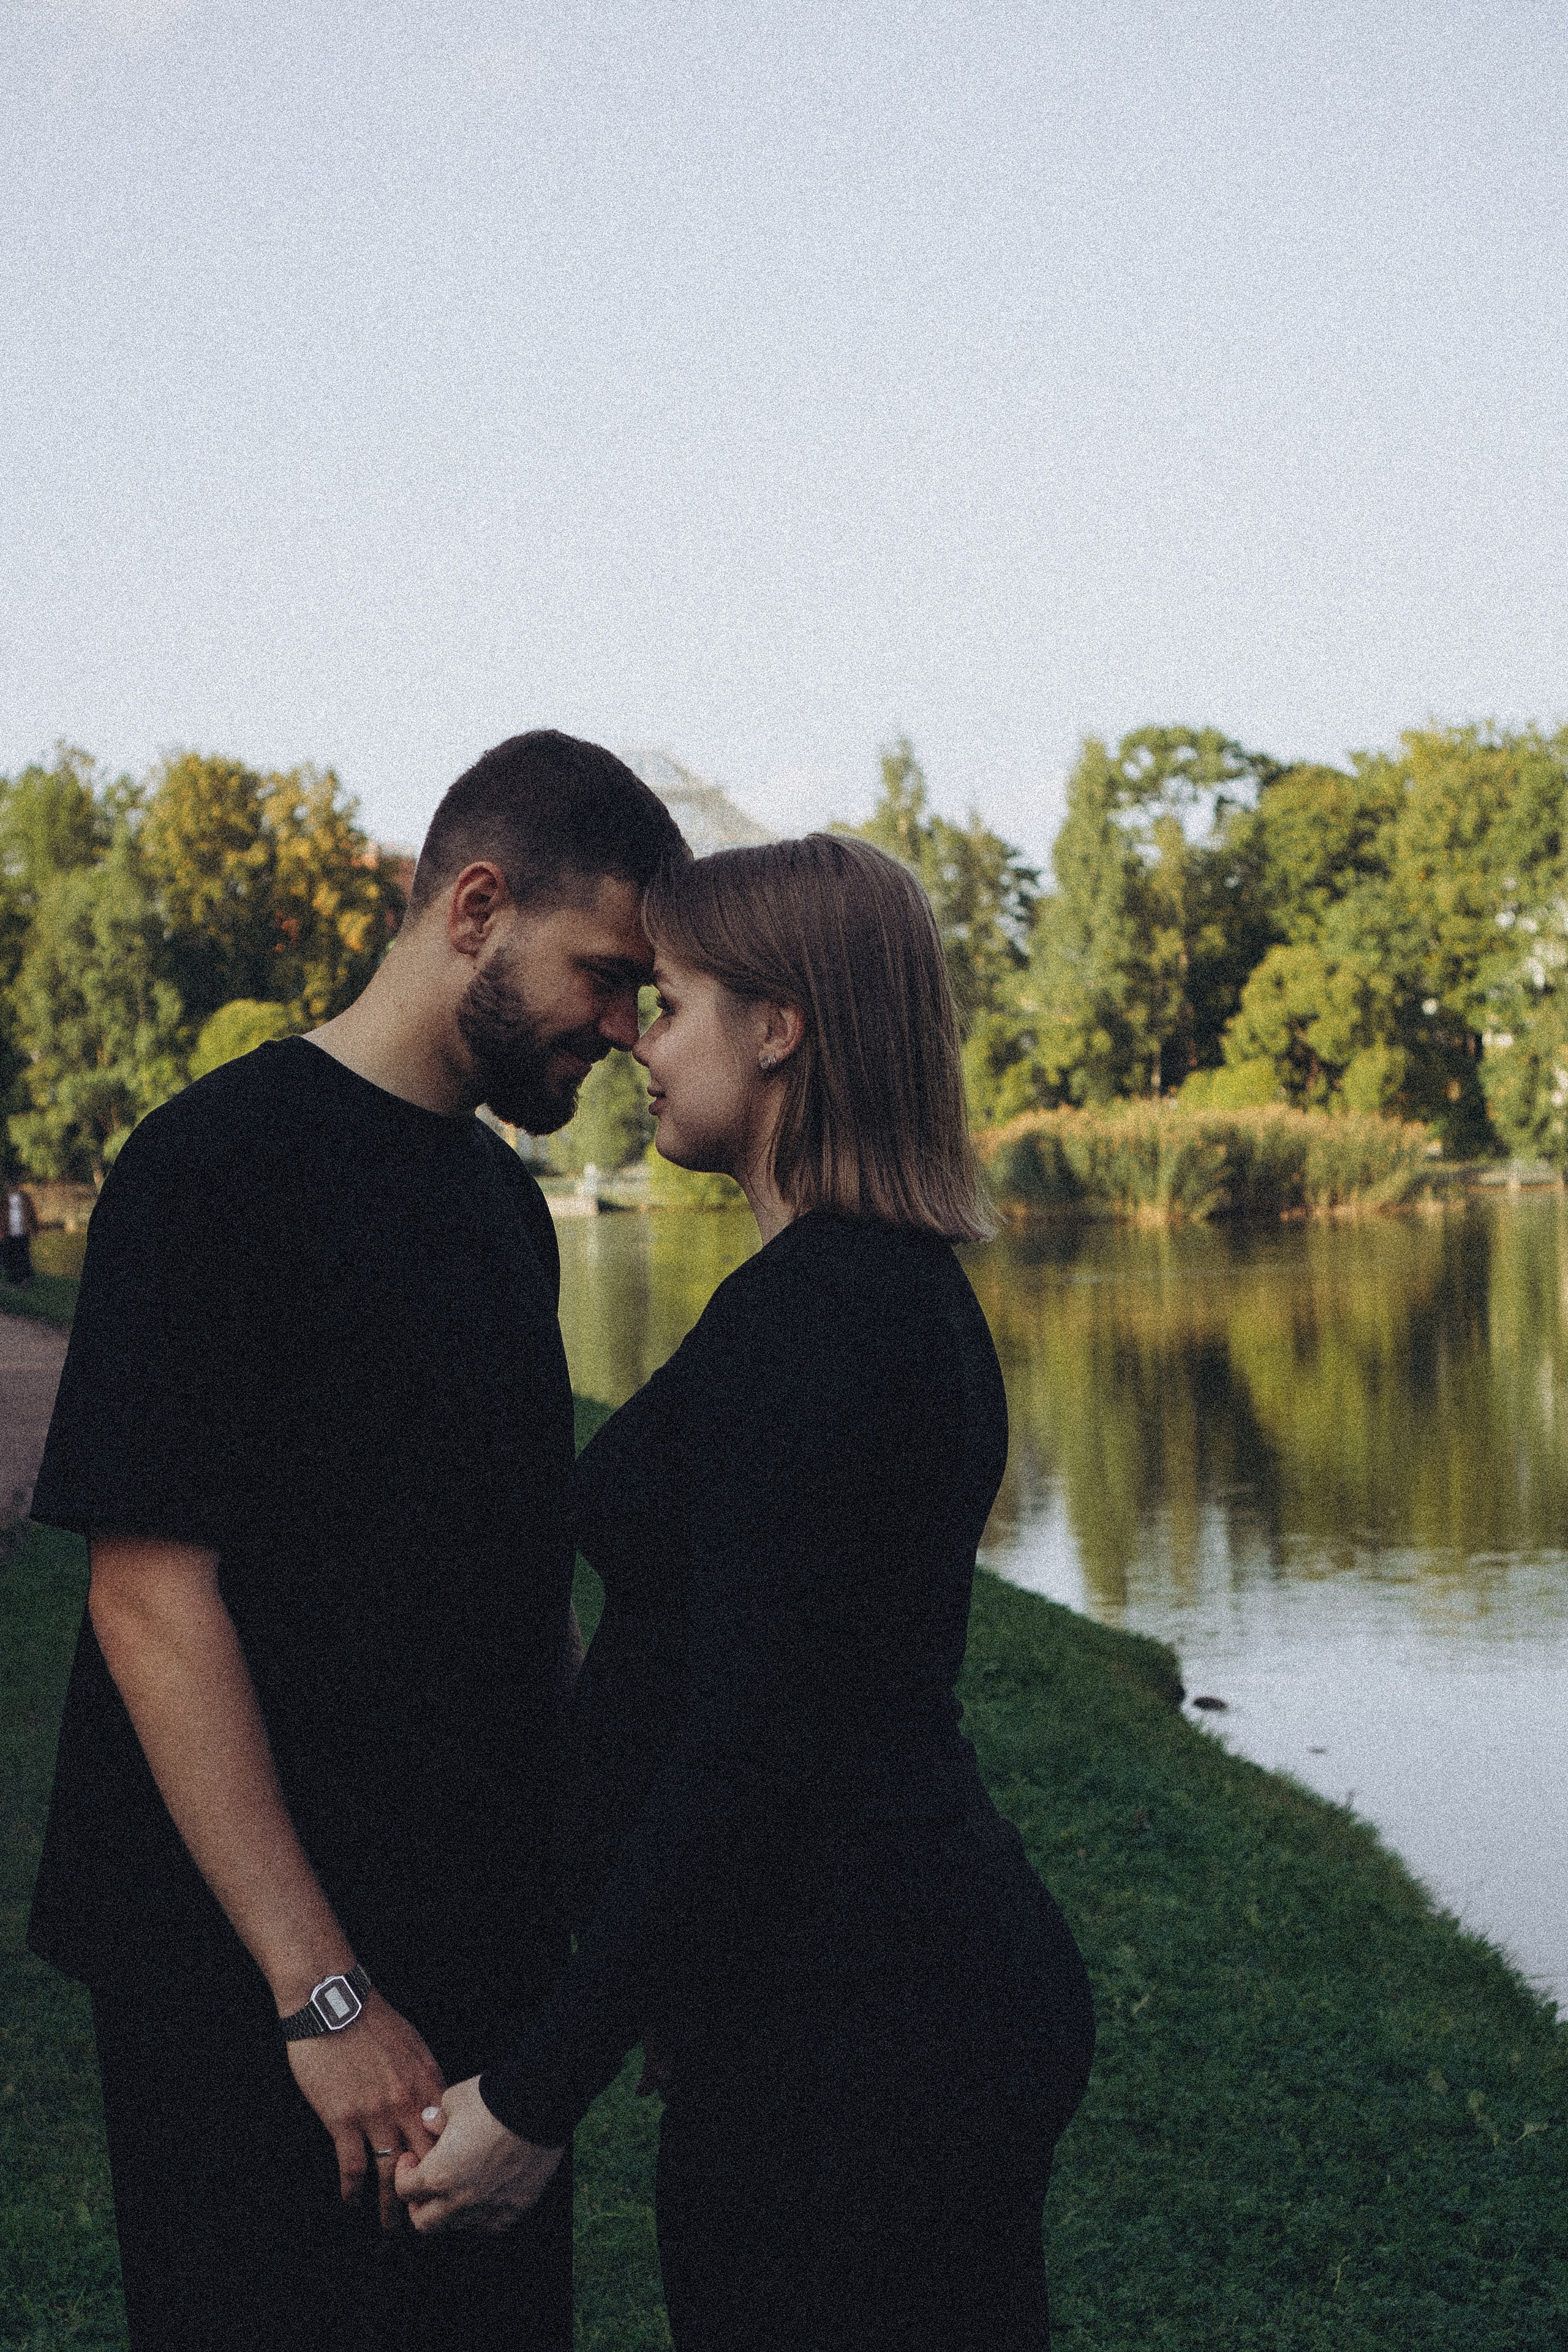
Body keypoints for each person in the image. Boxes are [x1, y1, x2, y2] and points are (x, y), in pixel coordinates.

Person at [27, 731, 688, 2352]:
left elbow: (521, 1593)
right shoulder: (212, 1169)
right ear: (475, 904)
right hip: (243, 1984)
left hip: (481, 1963)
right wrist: (321, 1996)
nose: (623, 1028)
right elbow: (149, 1598)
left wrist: (614, 1920)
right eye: (605, 976)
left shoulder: (495, 1207)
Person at [397, 834, 1096, 2350]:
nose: (635, 1040)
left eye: (672, 1001)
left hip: (872, 2031)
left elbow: (749, 1754)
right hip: (820, 1992)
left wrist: (531, 2097)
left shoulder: (838, 1319)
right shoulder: (839, 1289)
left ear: (778, 1026)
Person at [4, 1170, 38, 1285]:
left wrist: (34, 1228)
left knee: (24, 1254)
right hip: (10, 1231)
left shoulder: (24, 1197)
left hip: (23, 1230)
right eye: (13, 1184)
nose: (15, 1186)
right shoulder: (5, 1198)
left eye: (16, 1184)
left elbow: (32, 1213)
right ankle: (14, 1279)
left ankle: (25, 1278)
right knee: (12, 1255)